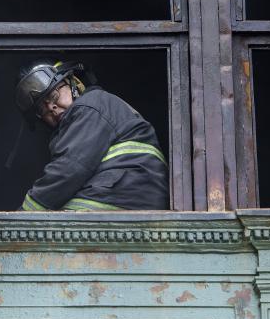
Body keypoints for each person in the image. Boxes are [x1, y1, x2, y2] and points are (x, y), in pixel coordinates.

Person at [14, 59, 169, 211]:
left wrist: (25, 214)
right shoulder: (96, 111)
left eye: (54, 96)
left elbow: (68, 170)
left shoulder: (90, 105)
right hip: (128, 197)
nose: (51, 108)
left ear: (73, 82)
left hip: (120, 197)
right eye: (42, 109)